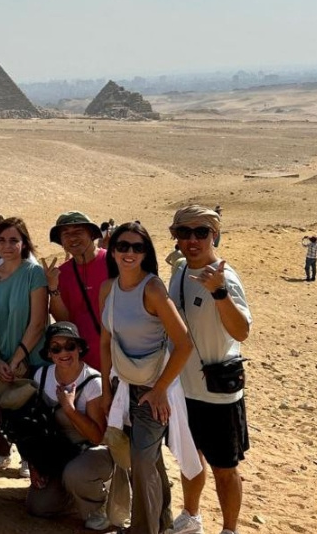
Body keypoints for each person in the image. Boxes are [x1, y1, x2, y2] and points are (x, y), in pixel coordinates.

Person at [98, 222, 193, 534]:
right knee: (146, 459)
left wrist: (160, 389)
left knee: (140, 459)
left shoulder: (152, 289)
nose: (129, 253)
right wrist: (106, 391)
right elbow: (105, 341)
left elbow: (184, 343)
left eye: (137, 247)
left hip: (154, 390)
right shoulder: (108, 288)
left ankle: (143, 529)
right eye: (123, 246)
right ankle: (161, 522)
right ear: (112, 251)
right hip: (123, 386)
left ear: (146, 253)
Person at [166, 206, 252, 534]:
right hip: (184, 389)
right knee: (190, 459)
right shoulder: (179, 271)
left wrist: (219, 292)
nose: (193, 240)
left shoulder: (225, 277)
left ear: (214, 235)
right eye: (184, 232)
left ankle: (229, 529)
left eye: (201, 232)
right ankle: (191, 516)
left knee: (225, 469)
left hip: (218, 395)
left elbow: (241, 331)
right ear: (175, 236)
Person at [24, 322, 114, 531]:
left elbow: (97, 437)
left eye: (70, 346)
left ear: (79, 348)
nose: (63, 353)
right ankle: (72, 493)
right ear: (49, 353)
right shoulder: (41, 376)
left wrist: (70, 410)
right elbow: (33, 426)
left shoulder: (93, 382)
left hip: (90, 452)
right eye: (56, 348)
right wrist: (34, 464)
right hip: (58, 452)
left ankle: (98, 505)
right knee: (38, 506)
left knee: (75, 474)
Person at [0, 217, 48, 471]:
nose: (7, 246)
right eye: (2, 240)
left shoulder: (34, 273)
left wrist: (16, 359)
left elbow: (38, 323)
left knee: (26, 408)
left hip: (30, 356)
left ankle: (29, 459)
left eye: (14, 240)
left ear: (24, 243)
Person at [43, 211, 108, 370]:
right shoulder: (61, 273)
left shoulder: (113, 262)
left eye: (78, 232)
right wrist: (53, 288)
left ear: (91, 234)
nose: (72, 238)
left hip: (119, 356)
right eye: (66, 234)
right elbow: (63, 319)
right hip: (83, 362)